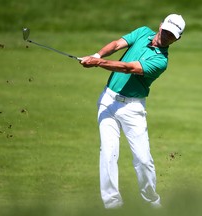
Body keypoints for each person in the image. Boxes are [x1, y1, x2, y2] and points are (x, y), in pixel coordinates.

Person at [80, 14, 186, 209]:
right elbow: (116, 44)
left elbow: (128, 68)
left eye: (172, 35)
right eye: (166, 31)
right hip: (107, 101)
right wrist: (97, 55)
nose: (166, 36)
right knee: (108, 152)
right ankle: (112, 204)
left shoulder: (161, 61)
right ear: (161, 24)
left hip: (133, 108)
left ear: (177, 39)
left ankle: (152, 202)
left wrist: (97, 63)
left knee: (143, 160)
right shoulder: (143, 32)